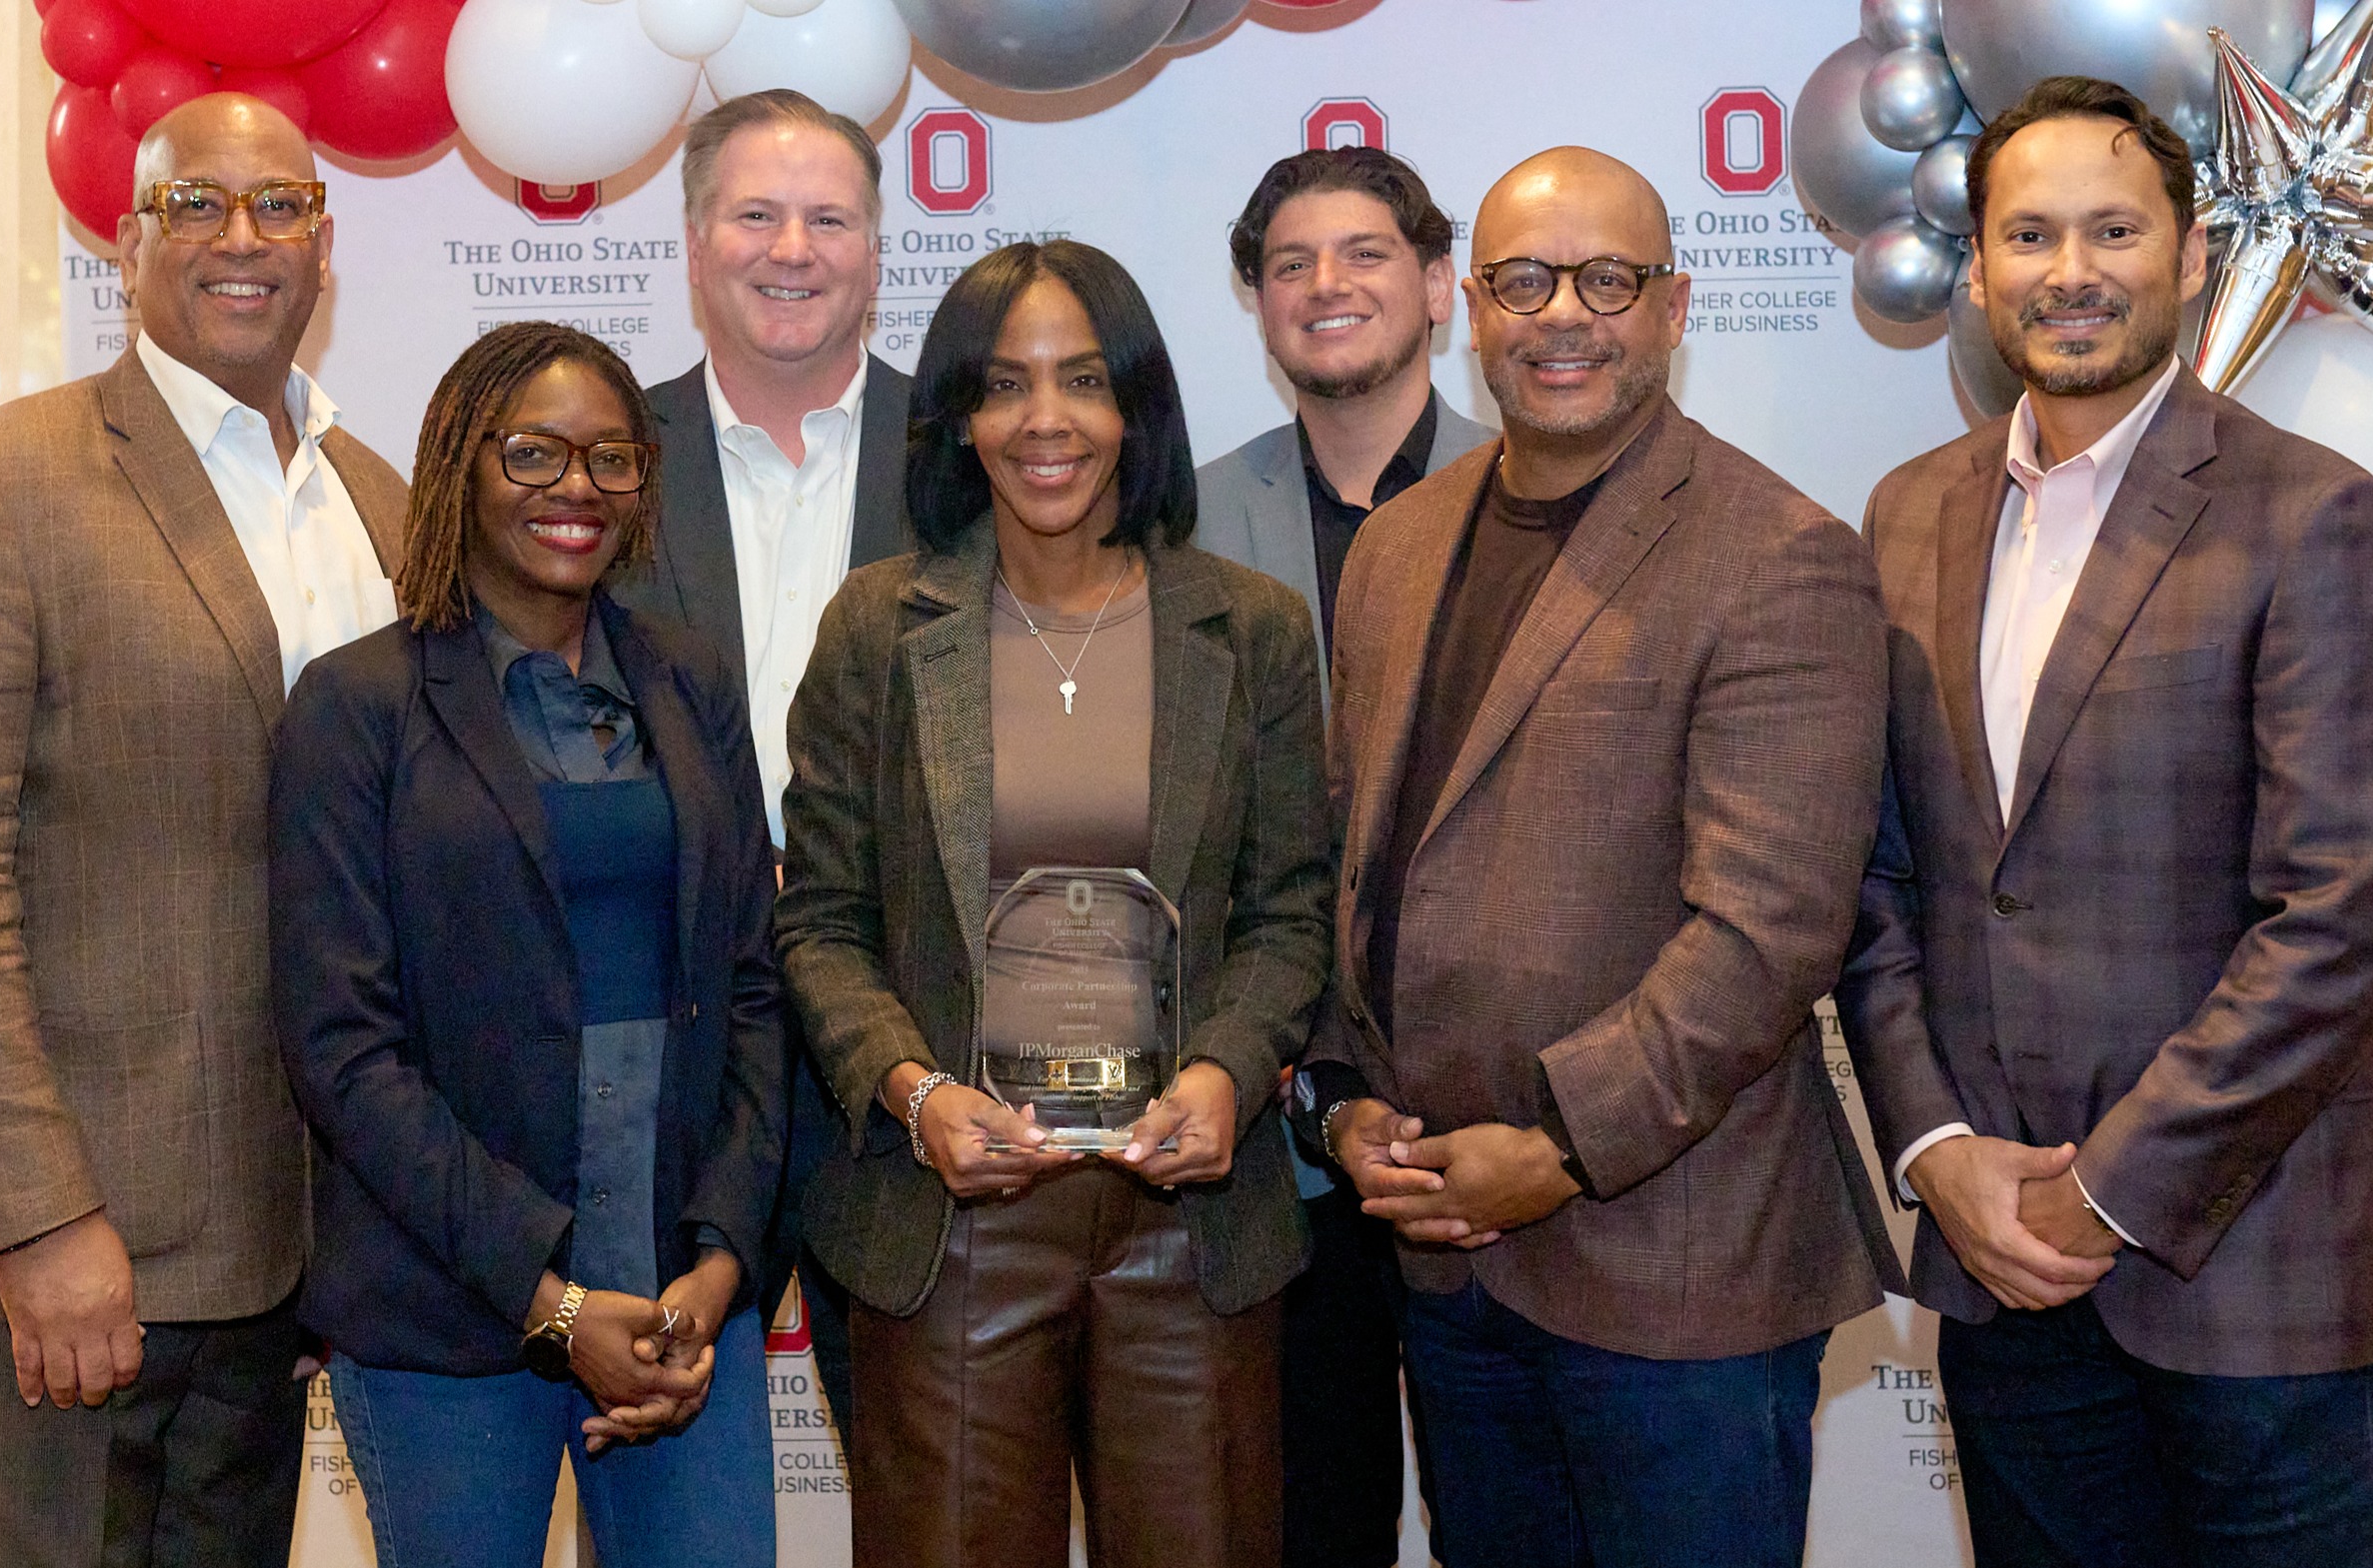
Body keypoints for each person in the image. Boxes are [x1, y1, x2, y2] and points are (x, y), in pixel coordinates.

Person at [1833, 76, 2373, 1567]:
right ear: (1978, 268)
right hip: (1999, 1270)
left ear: (2188, 256)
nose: (2069, 273)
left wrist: (2104, 1194)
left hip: (2255, 1277)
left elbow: (2343, 921)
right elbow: (1874, 878)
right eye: (2030, 235)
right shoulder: (1902, 515)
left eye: (2112, 230)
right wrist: (1934, 1148)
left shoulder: (2313, 515)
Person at [1289, 147, 1900, 1568]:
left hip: (1671, 1274)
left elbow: (1767, 933)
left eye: (1605, 279)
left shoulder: (1778, 555)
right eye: (1520, 280)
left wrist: (1558, 1149)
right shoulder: (1398, 543)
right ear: (1470, 310)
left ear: (1673, 305)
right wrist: (1338, 1096)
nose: (1561, 313)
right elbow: (1356, 859)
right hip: (1445, 1259)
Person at [0, 94, 405, 1566]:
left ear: (324, 246)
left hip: (290, 1256)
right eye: (193, 204)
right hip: (72, 1264)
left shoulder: (376, 501)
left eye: (279, 206)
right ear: (129, 240)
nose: (240, 239)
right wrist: (36, 1221)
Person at [776, 239, 1331, 1568]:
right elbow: (820, 918)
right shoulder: (876, 628)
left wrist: (1226, 1071)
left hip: (1187, 1226)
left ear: (1134, 405)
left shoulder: (1246, 628)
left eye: (1082, 379)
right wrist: (913, 1092)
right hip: (955, 1215)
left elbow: (1289, 910)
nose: (1046, 421)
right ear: (959, 418)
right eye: (1005, 384)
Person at [269, 321, 788, 1566]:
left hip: (678, 1307)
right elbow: (343, 1048)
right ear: (460, 464)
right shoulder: (357, 707)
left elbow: (755, 987)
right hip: (453, 1312)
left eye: (612, 461)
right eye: (533, 454)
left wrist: (720, 1257)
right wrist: (549, 1301)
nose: (577, 490)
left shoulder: (691, 683)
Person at [1191, 144, 1489, 1568]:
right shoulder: (1181, 526)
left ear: (1437, 285)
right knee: (1308, 1522)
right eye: (1292, 263)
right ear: (1254, 304)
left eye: (1365, 253)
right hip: (1275, 1131)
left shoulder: (1539, 496)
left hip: (1492, 1123)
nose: (1328, 287)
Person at [616, 86, 912, 1425]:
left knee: (936, 1501)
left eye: (827, 217)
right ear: (690, 240)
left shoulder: (976, 458)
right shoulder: (593, 463)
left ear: (875, 246)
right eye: (754, 214)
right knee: (680, 1492)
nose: (791, 248)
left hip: (907, 1069)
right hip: (678, 1062)